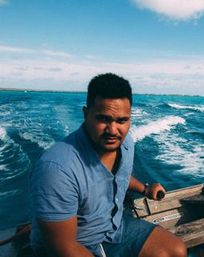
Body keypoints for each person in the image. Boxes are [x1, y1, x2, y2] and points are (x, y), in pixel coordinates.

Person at [30, 73, 187, 257]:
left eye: (121, 120)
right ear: (86, 114)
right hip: (76, 243)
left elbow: (118, 177)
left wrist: (144, 189)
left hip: (113, 228)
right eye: (103, 119)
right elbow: (64, 248)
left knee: (176, 251)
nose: (113, 130)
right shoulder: (57, 169)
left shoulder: (126, 143)